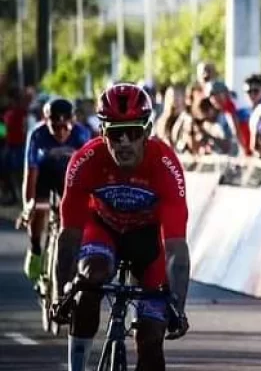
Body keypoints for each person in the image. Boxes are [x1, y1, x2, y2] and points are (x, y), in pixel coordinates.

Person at [52, 83, 190, 371]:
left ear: (147, 132)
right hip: (103, 230)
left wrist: (177, 305)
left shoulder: (166, 165)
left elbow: (176, 247)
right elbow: (69, 236)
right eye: (115, 132)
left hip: (148, 241)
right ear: (103, 133)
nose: (124, 141)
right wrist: (60, 293)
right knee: (91, 276)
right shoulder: (85, 161)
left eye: (133, 131)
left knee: (152, 339)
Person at [19, 98, 90, 285]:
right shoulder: (37, 135)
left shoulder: (82, 135)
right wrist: (28, 206)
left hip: (68, 176)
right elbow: (30, 174)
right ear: (46, 121)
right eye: (55, 127)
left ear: (72, 122)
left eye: (64, 127)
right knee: (39, 207)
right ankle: (35, 248)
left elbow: (89, 174)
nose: (60, 132)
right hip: (43, 175)